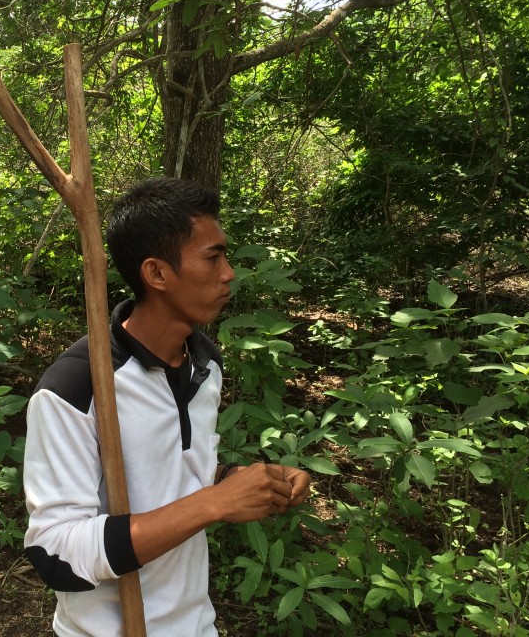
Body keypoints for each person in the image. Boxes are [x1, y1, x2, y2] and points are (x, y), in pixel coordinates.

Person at [22, 176, 313, 636]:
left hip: (196, 625)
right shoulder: (79, 387)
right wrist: (213, 504)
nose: (229, 272)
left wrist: (246, 484)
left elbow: (179, 474)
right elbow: (55, 554)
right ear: (156, 273)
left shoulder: (205, 364)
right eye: (212, 257)